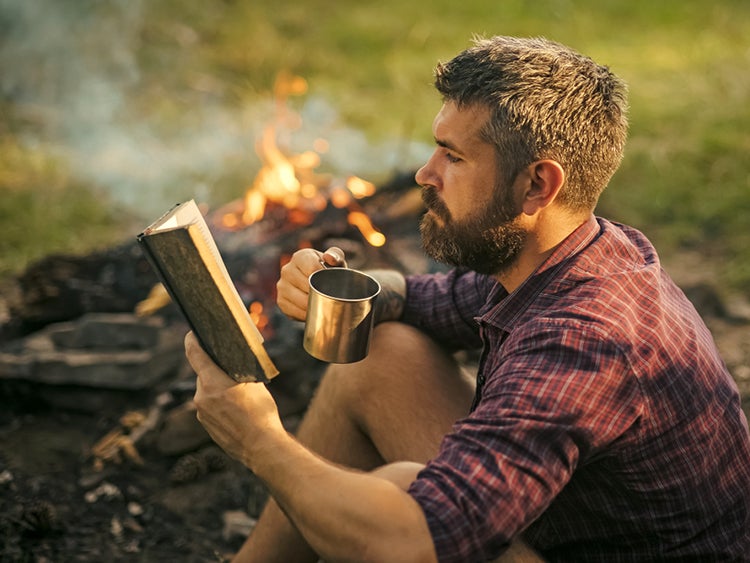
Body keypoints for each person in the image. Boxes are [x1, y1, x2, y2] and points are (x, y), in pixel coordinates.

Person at [185, 36, 750, 562]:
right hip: (568, 532)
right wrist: (350, 289)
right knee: (384, 355)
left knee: (397, 498)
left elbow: (415, 542)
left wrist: (258, 440)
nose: (424, 173)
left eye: (452, 158)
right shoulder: (572, 252)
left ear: (536, 185)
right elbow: (434, 300)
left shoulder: (586, 339)